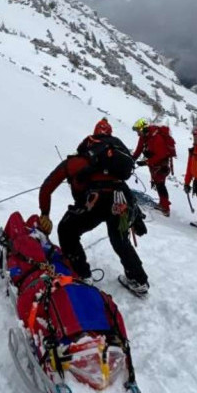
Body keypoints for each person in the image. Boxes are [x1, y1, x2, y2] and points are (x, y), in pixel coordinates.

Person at [38, 119, 151, 296]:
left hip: (94, 203)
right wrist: (136, 217)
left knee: (67, 230)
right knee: (119, 239)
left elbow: (47, 187)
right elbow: (125, 190)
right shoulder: (117, 162)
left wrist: (45, 213)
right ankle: (138, 279)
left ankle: (81, 274)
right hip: (120, 202)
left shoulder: (80, 160)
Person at [132, 118, 175, 217]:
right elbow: (139, 149)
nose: (138, 133)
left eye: (138, 131)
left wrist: (146, 162)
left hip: (161, 164)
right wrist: (132, 159)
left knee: (160, 184)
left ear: (143, 129)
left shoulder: (157, 138)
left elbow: (161, 155)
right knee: (158, 183)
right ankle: (163, 203)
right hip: (154, 163)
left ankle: (165, 207)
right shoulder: (144, 137)